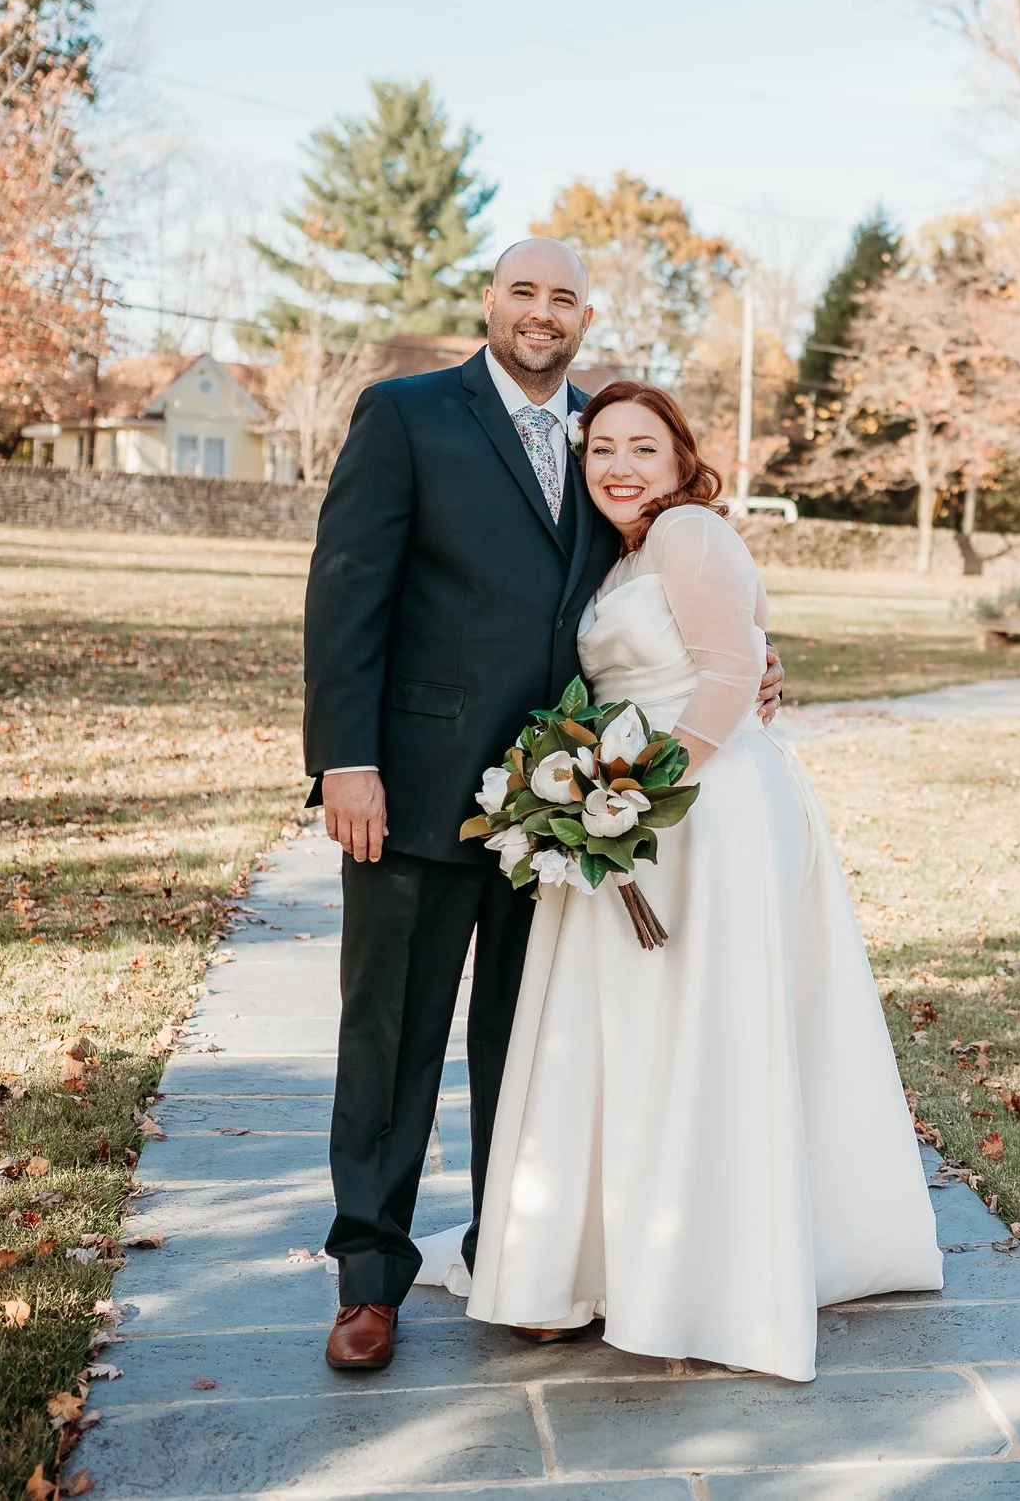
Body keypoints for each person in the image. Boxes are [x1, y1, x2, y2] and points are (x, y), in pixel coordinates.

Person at [301, 241, 786, 1371]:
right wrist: (344, 760)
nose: (542, 312)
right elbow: (346, 591)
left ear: (582, 317)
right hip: (413, 793)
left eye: (563, 297)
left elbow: (670, 584)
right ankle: (369, 1280)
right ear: (491, 301)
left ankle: (517, 1256)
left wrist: (754, 661)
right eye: (524, 290)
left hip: (557, 810)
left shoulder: (605, 444)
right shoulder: (406, 413)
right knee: (390, 1038)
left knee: (534, 1050)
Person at [412, 380, 942, 1381]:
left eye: (641, 448)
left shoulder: (691, 533)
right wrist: (593, 797)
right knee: (628, 1036)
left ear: (679, 458)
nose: (619, 464)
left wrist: (639, 792)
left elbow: (734, 674)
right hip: (628, 807)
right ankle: (601, 1260)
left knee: (703, 1031)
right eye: (601, 447)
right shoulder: (615, 555)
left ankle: (709, 1270)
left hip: (705, 810)